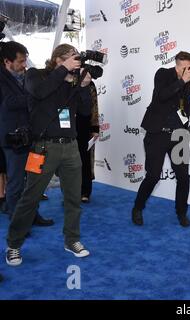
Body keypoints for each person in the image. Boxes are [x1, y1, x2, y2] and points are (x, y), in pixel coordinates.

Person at [5, 44, 93, 266]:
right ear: (58, 59)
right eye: (71, 59)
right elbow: (40, 92)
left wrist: (83, 86)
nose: (75, 63)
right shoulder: (36, 75)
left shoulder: (72, 81)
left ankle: (71, 240)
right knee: (30, 198)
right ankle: (14, 245)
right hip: (42, 149)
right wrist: (63, 71)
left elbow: (84, 111)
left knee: (73, 198)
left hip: (71, 148)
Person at [132, 51, 190, 227]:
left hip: (179, 135)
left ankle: (181, 213)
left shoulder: (188, 82)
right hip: (157, 134)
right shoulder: (163, 74)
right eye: (186, 67)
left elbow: (189, 112)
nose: (189, 71)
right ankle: (138, 208)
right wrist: (182, 81)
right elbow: (162, 96)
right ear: (177, 65)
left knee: (183, 177)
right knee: (153, 176)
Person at [0, 41, 54, 226]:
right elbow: (10, 102)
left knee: (33, 181)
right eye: (20, 61)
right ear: (7, 61)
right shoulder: (1, 78)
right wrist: (36, 96)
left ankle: (33, 215)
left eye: (25, 61)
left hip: (30, 138)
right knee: (15, 185)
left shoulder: (26, 76)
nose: (24, 65)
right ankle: (19, 223)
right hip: (13, 141)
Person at [76, 80, 99, 203]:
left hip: (85, 125)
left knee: (85, 159)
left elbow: (95, 106)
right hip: (67, 125)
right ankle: (70, 192)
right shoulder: (64, 79)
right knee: (68, 162)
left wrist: (95, 128)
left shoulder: (89, 84)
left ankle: (85, 191)